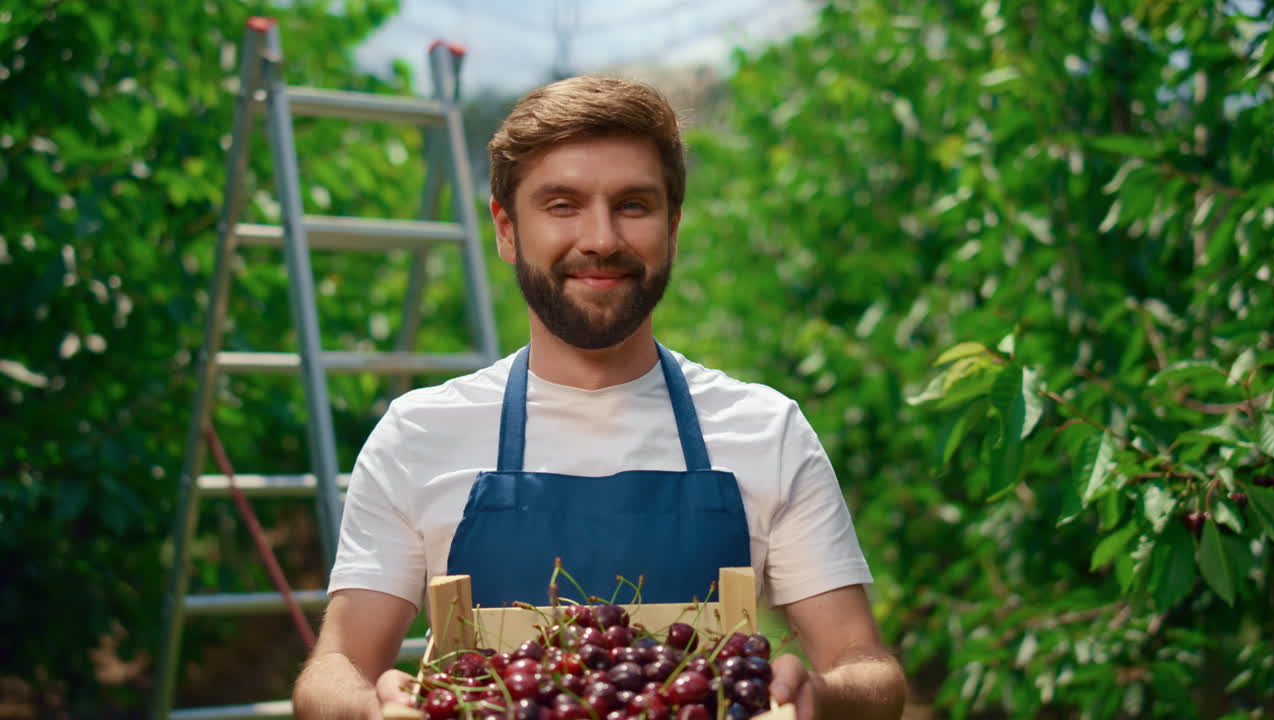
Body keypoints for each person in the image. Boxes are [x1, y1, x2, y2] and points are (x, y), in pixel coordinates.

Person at [292, 75, 907, 720]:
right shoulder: (419, 434)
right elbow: (337, 665)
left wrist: (821, 695)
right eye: (562, 205)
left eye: (633, 205)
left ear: (672, 227)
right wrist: (367, 708)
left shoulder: (765, 431)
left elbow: (865, 663)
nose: (601, 238)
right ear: (506, 230)